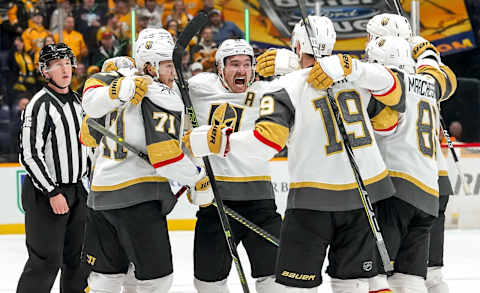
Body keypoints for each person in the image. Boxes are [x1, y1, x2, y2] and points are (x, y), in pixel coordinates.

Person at [187, 16, 408, 292]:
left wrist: (219, 141)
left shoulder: (284, 86)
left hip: (313, 199)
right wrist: (356, 69)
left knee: (294, 286)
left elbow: (265, 143)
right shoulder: (354, 76)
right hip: (366, 195)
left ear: (297, 46)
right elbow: (388, 121)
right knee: (352, 283)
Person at [80, 28, 213, 293]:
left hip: (101, 198)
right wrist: (197, 178)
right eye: (167, 65)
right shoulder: (158, 94)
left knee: (107, 278)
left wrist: (116, 92)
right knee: (156, 279)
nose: (173, 72)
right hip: (136, 199)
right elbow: (166, 157)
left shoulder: (118, 82)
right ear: (149, 66)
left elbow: (89, 124)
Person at [183, 38, 289, 293]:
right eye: (234, 64)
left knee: (277, 280)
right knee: (207, 282)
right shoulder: (198, 88)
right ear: (220, 68)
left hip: (260, 203)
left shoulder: (266, 93)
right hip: (215, 202)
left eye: (247, 64)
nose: (242, 70)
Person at [366, 14, 457, 293]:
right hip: (433, 184)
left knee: (376, 275)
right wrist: (428, 53)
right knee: (426, 276)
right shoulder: (428, 79)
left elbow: (384, 122)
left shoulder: (388, 81)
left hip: (397, 187)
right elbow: (448, 83)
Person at [17, 43, 89, 293]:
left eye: (67, 62)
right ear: (45, 71)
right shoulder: (39, 104)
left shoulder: (79, 102)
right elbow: (29, 154)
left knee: (78, 263)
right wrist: (52, 192)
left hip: (78, 192)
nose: (64, 69)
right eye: (57, 64)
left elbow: (86, 147)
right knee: (45, 262)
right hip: (47, 195)